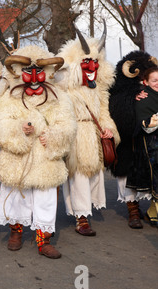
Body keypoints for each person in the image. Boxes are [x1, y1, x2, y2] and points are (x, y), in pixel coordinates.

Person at [0, 45, 76, 259]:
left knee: (46, 198)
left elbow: (68, 124)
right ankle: (16, 232)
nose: (34, 77)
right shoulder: (10, 97)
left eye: (38, 71)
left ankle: (43, 239)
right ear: (20, 71)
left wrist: (54, 136)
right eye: (28, 71)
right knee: (16, 197)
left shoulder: (59, 96)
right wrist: (19, 129)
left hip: (46, 156)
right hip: (17, 157)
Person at [58, 22, 120, 236]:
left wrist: (108, 129)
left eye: (95, 61)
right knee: (78, 176)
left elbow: (103, 111)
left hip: (93, 137)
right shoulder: (64, 88)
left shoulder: (98, 89)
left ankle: (86, 211)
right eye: (86, 61)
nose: (92, 66)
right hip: (75, 137)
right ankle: (81, 217)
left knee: (93, 175)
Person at [108, 51, 158, 229]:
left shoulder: (150, 91)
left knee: (151, 174)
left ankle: (152, 209)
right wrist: (131, 98)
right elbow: (118, 111)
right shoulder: (120, 93)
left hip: (147, 141)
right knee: (126, 174)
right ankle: (133, 210)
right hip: (128, 141)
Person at [126, 66, 158, 227]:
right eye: (154, 80)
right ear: (145, 82)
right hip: (152, 145)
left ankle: (152, 213)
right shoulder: (143, 99)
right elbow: (145, 124)